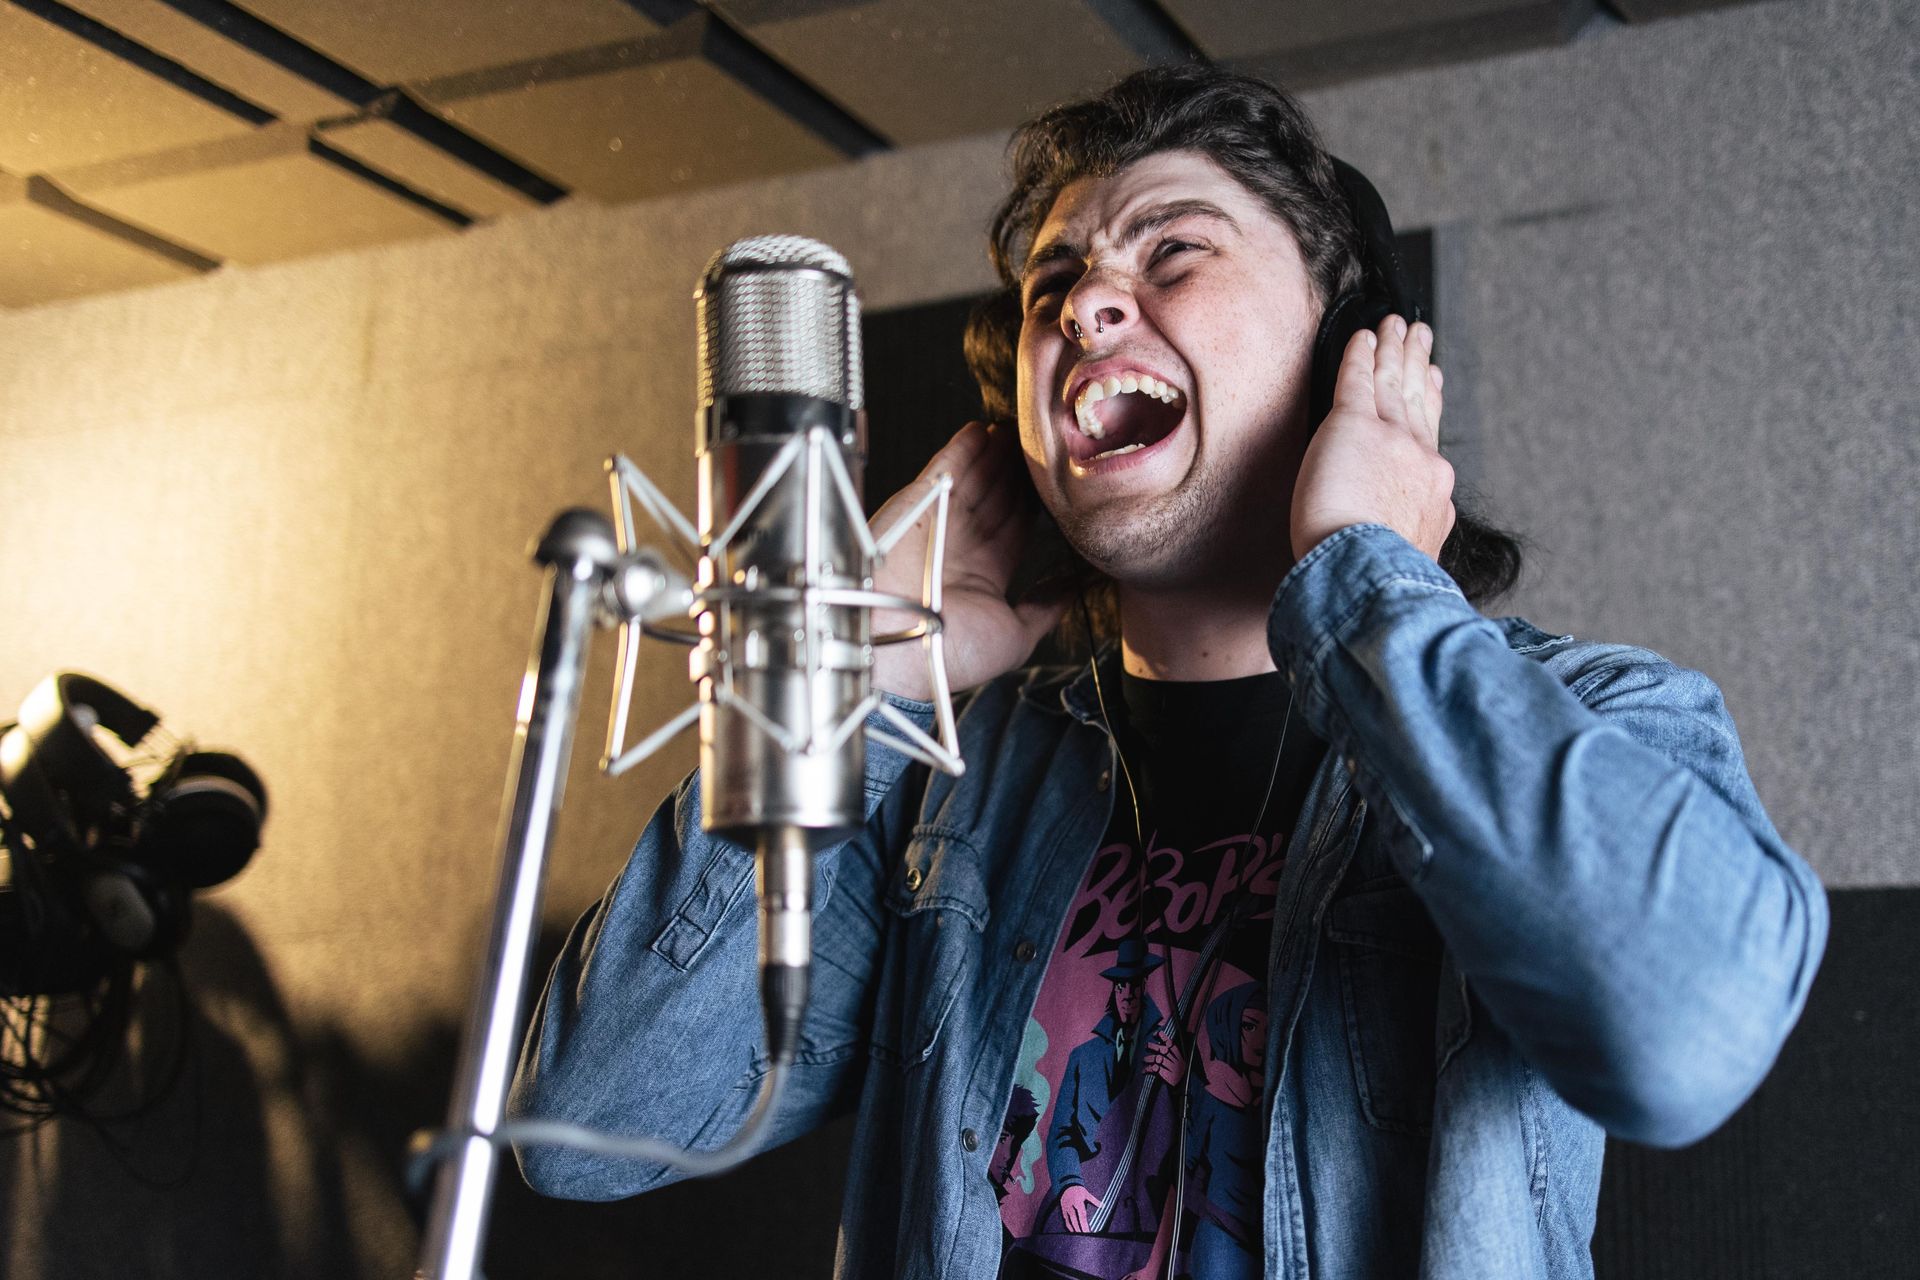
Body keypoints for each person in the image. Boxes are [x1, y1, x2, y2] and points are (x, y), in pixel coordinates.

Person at [509, 65, 1828, 1280]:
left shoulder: (1597, 717)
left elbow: (1689, 1037)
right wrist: (853, 678)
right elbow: (588, 1126)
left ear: (1348, 347)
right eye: (1053, 287)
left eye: (1172, 253)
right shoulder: (942, 777)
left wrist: (1370, 579)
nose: (1084, 305)